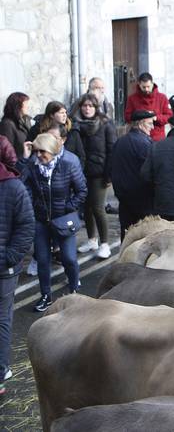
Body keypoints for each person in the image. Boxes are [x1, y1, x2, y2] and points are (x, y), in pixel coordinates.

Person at [20, 133, 87, 312]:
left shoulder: (69, 162)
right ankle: (46, 296)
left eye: (43, 151)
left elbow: (81, 190)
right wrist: (25, 158)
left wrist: (67, 208)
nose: (39, 155)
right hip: (41, 220)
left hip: (63, 220)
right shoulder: (33, 165)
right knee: (43, 260)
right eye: (36, 151)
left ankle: (74, 290)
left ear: (52, 150)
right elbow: (22, 184)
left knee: (69, 258)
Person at [0, 135, 33, 387]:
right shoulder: (15, 187)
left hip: (5, 266)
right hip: (6, 268)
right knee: (2, 318)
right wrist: (10, 258)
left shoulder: (13, 187)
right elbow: (26, 227)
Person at [73, 94, 116, 259]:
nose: (87, 109)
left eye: (91, 106)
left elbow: (112, 150)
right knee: (86, 207)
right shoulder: (76, 124)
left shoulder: (105, 124)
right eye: (84, 106)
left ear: (96, 108)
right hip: (81, 172)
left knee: (98, 207)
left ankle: (105, 244)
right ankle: (92, 240)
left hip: (100, 173)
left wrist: (109, 175)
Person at [111, 110, 155, 241]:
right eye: (150, 123)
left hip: (124, 197)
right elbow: (150, 171)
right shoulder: (145, 144)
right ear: (141, 124)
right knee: (144, 237)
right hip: (143, 198)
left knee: (127, 235)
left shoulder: (120, 142)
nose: (152, 127)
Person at [28, 101, 85, 167]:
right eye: (61, 113)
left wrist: (76, 169)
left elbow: (81, 155)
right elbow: (32, 151)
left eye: (65, 112)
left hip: (67, 170)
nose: (65, 115)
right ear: (51, 115)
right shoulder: (37, 130)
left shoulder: (72, 131)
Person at [124, 72, 173, 142]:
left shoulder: (162, 98)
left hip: (158, 138)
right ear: (139, 85)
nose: (146, 89)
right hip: (139, 138)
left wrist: (156, 118)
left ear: (152, 84)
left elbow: (169, 116)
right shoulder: (132, 99)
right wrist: (140, 117)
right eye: (143, 87)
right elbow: (127, 117)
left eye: (148, 87)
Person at [0, 92, 32, 159]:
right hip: (16, 165)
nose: (28, 106)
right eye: (25, 103)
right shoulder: (7, 124)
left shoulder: (26, 121)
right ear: (17, 105)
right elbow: (7, 151)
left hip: (27, 161)